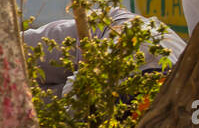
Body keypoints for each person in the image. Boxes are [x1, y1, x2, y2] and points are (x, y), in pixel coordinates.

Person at [24, 7, 186, 96]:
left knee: (30, 111)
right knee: (16, 53)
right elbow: (79, 89)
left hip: (115, 81)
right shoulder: (133, 59)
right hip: (104, 32)